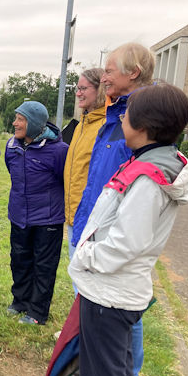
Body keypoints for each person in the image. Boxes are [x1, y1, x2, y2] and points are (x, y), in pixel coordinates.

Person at [69, 83, 188, 376]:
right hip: (119, 292)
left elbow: (126, 243)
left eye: (126, 114)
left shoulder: (147, 178)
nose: (121, 118)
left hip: (108, 296)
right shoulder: (154, 162)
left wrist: (85, 256)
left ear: (143, 127)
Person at [71, 43, 155, 376]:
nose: (103, 77)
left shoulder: (140, 117)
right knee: (90, 300)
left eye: (108, 71)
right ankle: (94, 368)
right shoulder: (116, 112)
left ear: (132, 73)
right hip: (92, 220)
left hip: (113, 229)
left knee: (121, 309)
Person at [4, 101, 69, 325]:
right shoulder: (11, 146)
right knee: (19, 260)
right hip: (19, 215)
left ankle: (37, 312)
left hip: (47, 220)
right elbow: (11, 170)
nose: (15, 123)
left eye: (20, 119)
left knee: (44, 266)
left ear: (33, 123)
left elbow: (66, 182)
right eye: (16, 118)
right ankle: (20, 301)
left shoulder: (59, 151)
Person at [63, 68, 106, 264]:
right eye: (77, 88)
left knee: (86, 277)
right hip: (75, 215)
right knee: (77, 273)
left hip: (92, 218)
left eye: (83, 88)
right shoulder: (82, 124)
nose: (78, 93)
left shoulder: (106, 126)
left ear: (100, 89)